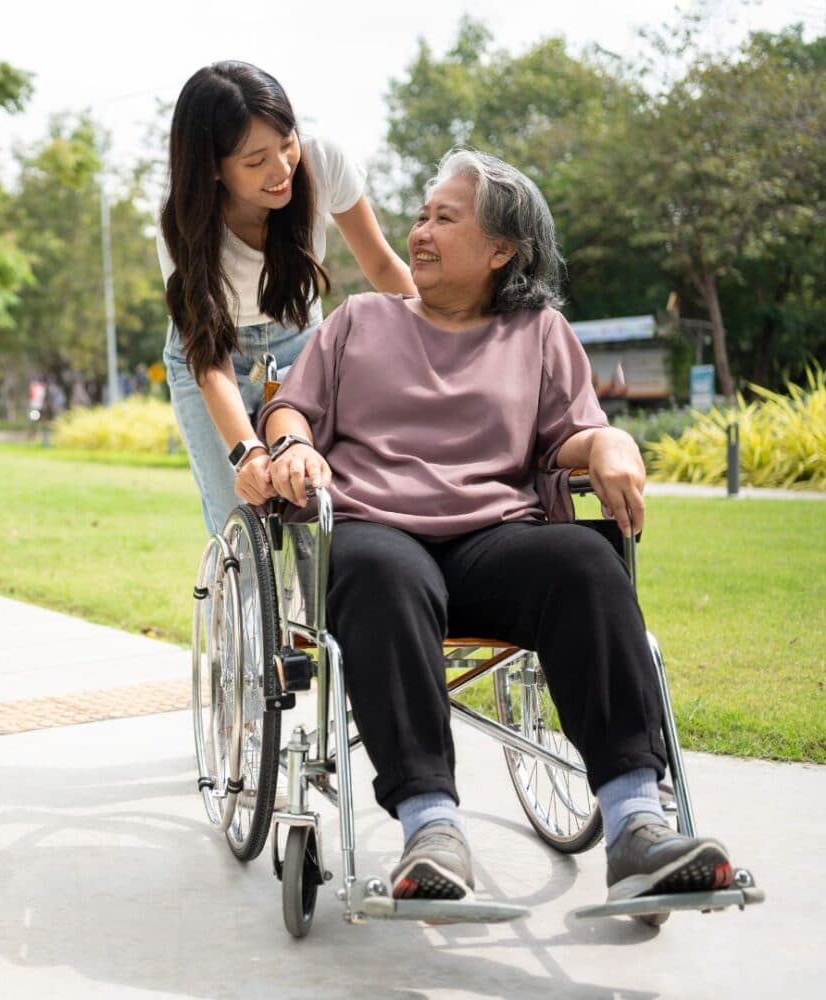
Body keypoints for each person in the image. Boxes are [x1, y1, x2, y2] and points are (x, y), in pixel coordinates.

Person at [258, 149, 734, 903]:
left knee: (586, 562)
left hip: (494, 543)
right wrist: (291, 446)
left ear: (501, 250)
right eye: (421, 216)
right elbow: (292, 407)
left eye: (444, 218)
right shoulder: (360, 320)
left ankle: (637, 827)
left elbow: (570, 433)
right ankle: (432, 830)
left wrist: (608, 441)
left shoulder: (538, 332)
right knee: (383, 572)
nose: (419, 232)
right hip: (377, 529)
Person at [158, 61, 416, 535]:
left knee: (312, 500)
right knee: (242, 521)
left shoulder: (324, 163)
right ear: (213, 167)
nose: (281, 170)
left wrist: (442, 344)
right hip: (214, 359)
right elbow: (209, 357)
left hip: (299, 346)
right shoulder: (183, 221)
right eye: (255, 161)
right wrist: (248, 453)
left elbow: (382, 266)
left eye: (286, 142)